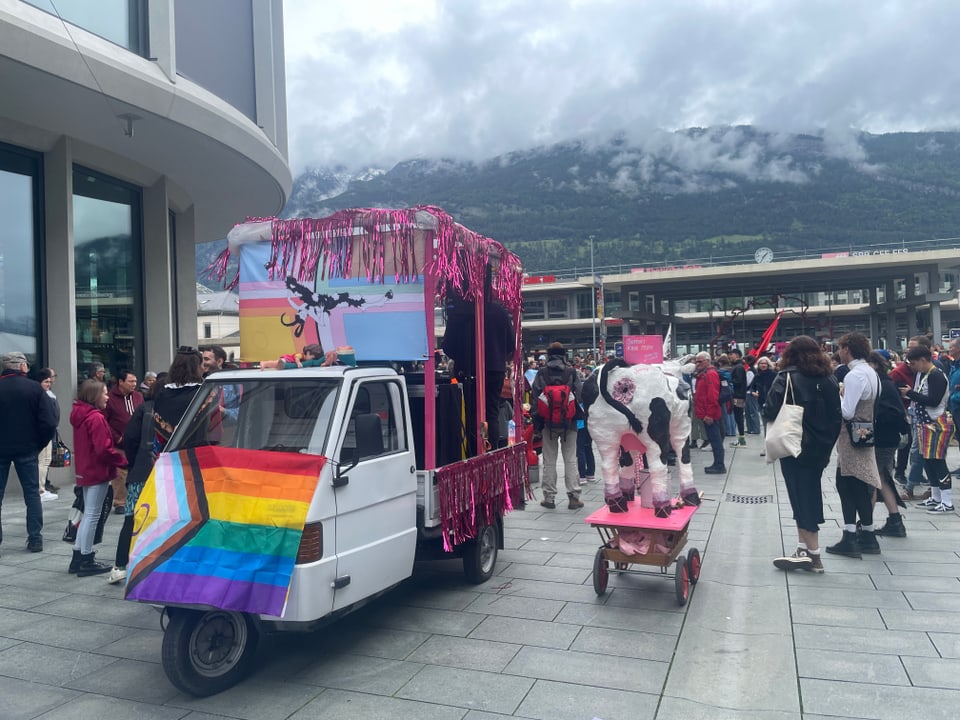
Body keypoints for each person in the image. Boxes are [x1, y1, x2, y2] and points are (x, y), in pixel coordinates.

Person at [767, 336, 841, 573]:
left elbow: (769, 410)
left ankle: (814, 555)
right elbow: (837, 414)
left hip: (794, 444)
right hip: (821, 447)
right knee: (807, 492)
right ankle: (802, 548)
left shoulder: (786, 377)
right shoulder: (829, 378)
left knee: (802, 496)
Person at [826, 332, 882, 559]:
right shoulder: (871, 372)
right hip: (866, 432)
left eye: (840, 348)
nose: (839, 352)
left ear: (847, 349)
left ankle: (850, 536)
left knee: (845, 484)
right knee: (860, 485)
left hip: (850, 436)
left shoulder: (853, 376)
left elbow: (847, 411)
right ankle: (868, 535)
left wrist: (839, 395)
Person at [107, 372, 166, 584]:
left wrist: (135, 461)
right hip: (166, 473)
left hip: (141, 469)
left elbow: (130, 438)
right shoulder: (172, 411)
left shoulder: (143, 408)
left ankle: (120, 566)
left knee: (131, 517)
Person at [0, 352, 58, 553]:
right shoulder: (34, 388)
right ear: (22, 367)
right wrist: (39, 444)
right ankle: (35, 538)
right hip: (27, 448)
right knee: (32, 494)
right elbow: (49, 422)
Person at [69, 379, 127, 575]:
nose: (107, 397)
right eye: (104, 393)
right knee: (92, 515)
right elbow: (103, 449)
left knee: (89, 514)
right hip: (97, 470)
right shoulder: (96, 418)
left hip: (86, 469)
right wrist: (121, 461)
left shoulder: (81, 415)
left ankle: (78, 556)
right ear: (94, 396)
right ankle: (86, 558)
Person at [901, 344, 954, 513]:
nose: (912, 367)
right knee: (929, 461)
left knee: (937, 461)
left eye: (914, 363)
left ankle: (946, 501)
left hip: (936, 424)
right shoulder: (926, 374)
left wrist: (910, 393)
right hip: (926, 424)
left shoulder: (936, 376)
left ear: (923, 360)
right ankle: (936, 496)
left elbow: (933, 400)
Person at [531, 342, 583, 510]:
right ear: (563, 355)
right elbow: (579, 396)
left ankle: (549, 497)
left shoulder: (542, 373)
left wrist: (537, 423)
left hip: (547, 424)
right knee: (570, 459)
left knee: (549, 460)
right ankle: (574, 498)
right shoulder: (571, 372)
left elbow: (535, 399)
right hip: (570, 423)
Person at [867, 351, 909, 537]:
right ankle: (895, 521)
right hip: (887, 438)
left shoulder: (882, 385)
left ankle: (865, 524)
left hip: (883, 438)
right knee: (882, 478)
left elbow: (889, 413)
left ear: (875, 365)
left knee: (873, 479)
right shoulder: (885, 383)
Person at [103, 369, 143, 515]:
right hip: (119, 442)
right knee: (120, 473)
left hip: (137, 442)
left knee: (135, 471)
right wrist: (116, 437)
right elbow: (104, 421)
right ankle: (120, 501)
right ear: (121, 382)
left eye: (135, 381)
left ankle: (136, 498)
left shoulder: (138, 396)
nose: (134, 384)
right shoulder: (110, 398)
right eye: (130, 381)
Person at [153, 348, 205, 455]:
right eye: (202, 365)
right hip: (199, 452)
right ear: (197, 368)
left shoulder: (163, 393)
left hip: (169, 452)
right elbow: (216, 431)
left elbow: (158, 431)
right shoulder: (203, 394)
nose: (203, 369)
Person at [693, 352, 725, 474]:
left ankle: (719, 465)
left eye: (700, 361)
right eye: (696, 361)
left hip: (710, 414)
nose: (697, 364)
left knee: (715, 440)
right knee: (714, 439)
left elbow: (713, 396)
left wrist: (710, 414)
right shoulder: (705, 374)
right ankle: (718, 464)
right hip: (707, 413)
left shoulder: (710, 374)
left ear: (707, 361)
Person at [33, 368, 60, 501]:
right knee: (43, 460)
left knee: (44, 460)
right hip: (44, 433)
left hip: (47, 431)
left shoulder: (47, 394)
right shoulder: (41, 396)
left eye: (50, 381)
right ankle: (40, 489)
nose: (49, 384)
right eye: (46, 381)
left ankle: (41, 487)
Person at [728, 347, 748, 447]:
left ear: (737, 355)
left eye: (731, 354)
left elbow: (738, 381)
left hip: (738, 396)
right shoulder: (737, 366)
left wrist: (728, 380)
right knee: (738, 417)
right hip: (737, 395)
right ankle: (740, 439)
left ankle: (742, 440)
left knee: (739, 417)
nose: (729, 356)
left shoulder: (738, 367)